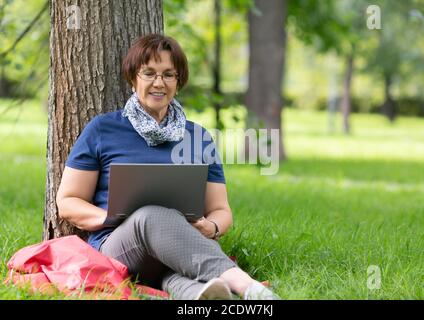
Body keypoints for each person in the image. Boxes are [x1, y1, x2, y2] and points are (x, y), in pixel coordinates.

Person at [56, 33, 279, 300]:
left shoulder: (198, 138)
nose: (158, 83)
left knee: (177, 275)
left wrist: (212, 227)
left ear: (178, 81)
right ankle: (245, 285)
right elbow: (67, 202)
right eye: (149, 73)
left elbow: (221, 210)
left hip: (178, 248)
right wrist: (112, 217)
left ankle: (207, 296)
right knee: (151, 216)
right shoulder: (102, 129)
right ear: (132, 78)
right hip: (118, 247)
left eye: (168, 74)